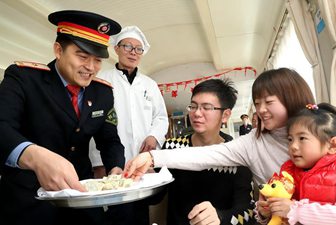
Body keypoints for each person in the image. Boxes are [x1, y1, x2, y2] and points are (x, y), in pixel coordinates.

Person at [0, 10, 125, 225]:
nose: (91, 68)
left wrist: (116, 169)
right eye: (82, 56)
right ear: (58, 50)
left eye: (97, 60)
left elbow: (110, 140)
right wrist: (34, 156)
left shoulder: (102, 92)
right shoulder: (23, 78)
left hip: (81, 198)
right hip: (29, 201)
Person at [123, 67, 316, 187]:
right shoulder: (252, 144)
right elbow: (205, 155)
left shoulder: (322, 133)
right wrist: (151, 157)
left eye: (269, 102)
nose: (261, 110)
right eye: (257, 103)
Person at [89, 25, 169, 225]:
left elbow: (160, 117)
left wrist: (154, 137)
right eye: (127, 47)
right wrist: (97, 161)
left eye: (138, 49)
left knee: (140, 210)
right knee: (115, 212)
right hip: (111, 161)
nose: (133, 53)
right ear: (116, 48)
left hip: (140, 159)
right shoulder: (101, 80)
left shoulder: (149, 85)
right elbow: (92, 122)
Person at [154, 78, 254, 225]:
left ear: (225, 115)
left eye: (206, 108)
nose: (197, 113)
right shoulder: (172, 147)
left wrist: (220, 218)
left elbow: (247, 212)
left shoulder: (237, 155)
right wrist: (144, 179)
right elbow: (155, 198)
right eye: (193, 106)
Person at [256, 103, 336, 225]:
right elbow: (282, 213)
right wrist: (267, 212)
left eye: (302, 138)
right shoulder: (287, 171)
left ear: (332, 145)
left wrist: (295, 211)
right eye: (290, 139)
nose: (293, 146)